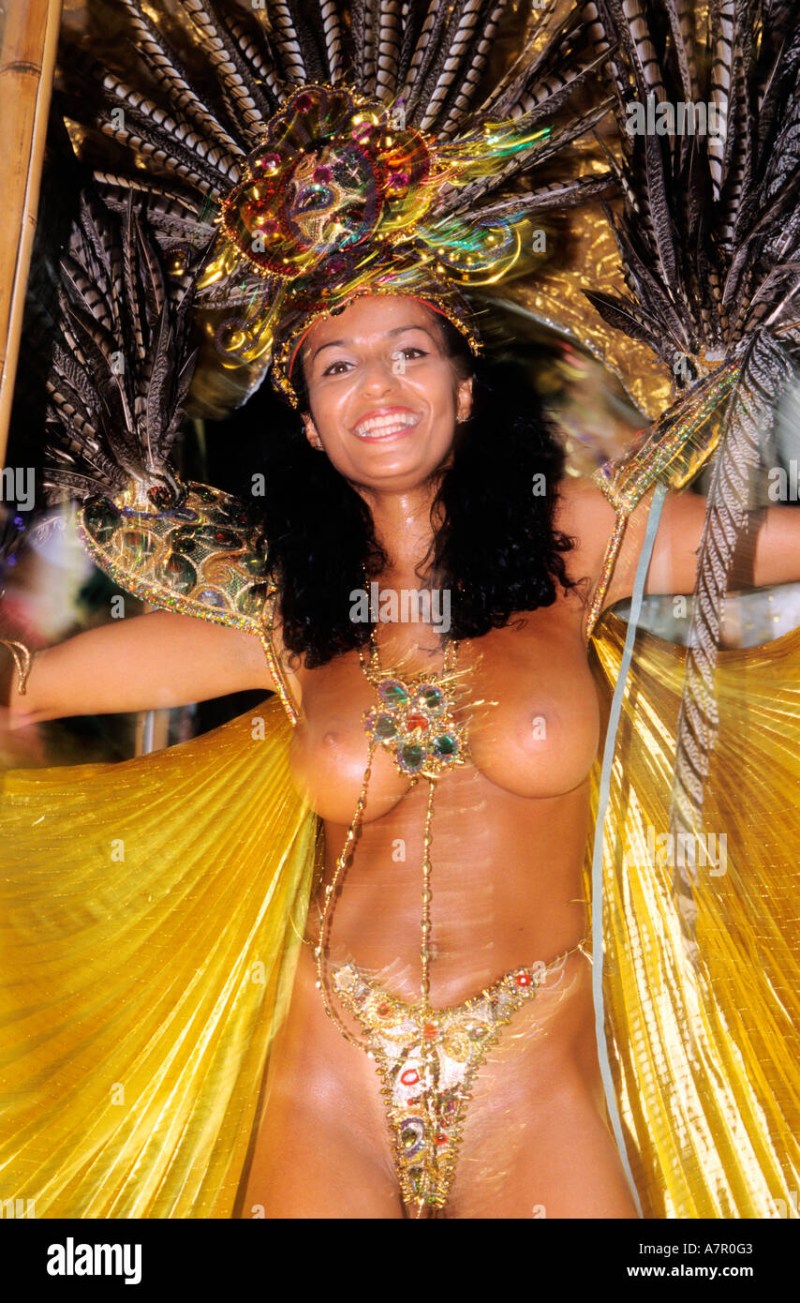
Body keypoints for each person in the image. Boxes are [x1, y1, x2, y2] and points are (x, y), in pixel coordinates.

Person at [4, 284, 800, 1219]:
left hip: (536, 1062)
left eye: (410, 352)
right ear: (308, 424)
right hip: (330, 1068)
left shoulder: (579, 541)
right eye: (338, 365)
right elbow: (29, 683)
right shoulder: (292, 608)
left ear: (465, 389)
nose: (377, 384)